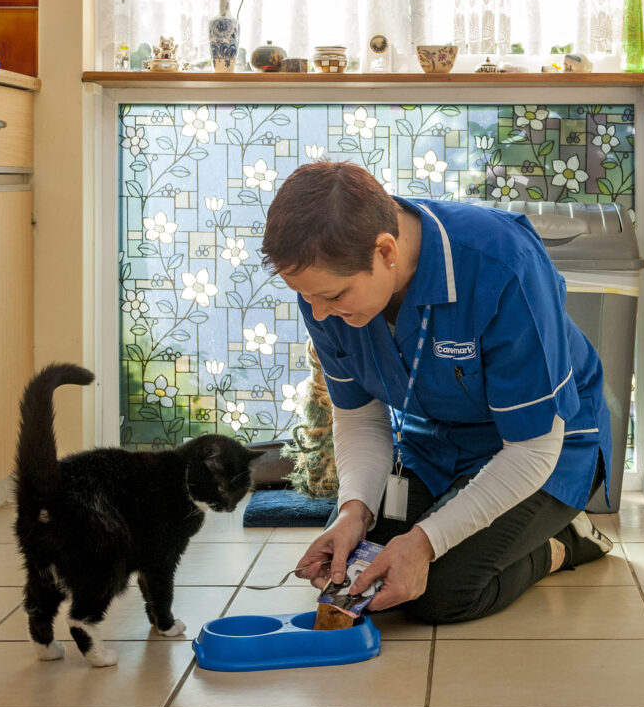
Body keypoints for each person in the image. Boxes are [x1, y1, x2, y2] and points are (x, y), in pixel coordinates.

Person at [259, 160, 616, 624]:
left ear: (386, 251)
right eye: (306, 296)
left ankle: (564, 543)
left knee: (440, 593)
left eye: (333, 297)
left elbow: (531, 448)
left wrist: (426, 542)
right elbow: (360, 416)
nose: (318, 314)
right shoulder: (325, 287)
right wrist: (353, 512)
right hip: (433, 442)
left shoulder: (504, 265)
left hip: (547, 446)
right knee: (361, 568)